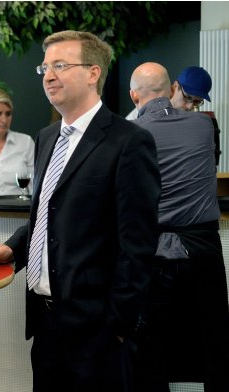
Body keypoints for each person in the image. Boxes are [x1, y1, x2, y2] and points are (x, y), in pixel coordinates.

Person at [0, 31, 161, 392]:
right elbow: (45, 214)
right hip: (45, 324)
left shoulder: (129, 141)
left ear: (93, 73)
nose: (48, 75)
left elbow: (138, 244)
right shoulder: (46, 138)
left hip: (97, 330)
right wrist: (12, 249)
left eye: (60, 65)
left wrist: (117, 327)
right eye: (45, 67)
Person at [129, 62, 229, 392]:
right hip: (204, 255)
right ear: (171, 89)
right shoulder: (205, 127)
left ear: (133, 97)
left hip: (155, 257)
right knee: (214, 348)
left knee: (149, 357)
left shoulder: (130, 135)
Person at [170, 66, 221, 165]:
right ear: (176, 86)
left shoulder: (196, 124)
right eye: (187, 97)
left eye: (197, 101)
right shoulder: (146, 115)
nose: (190, 106)